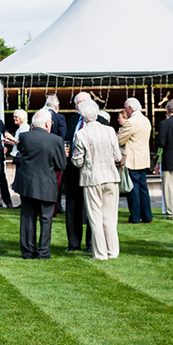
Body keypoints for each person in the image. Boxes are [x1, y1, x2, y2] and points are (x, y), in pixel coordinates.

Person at [70, 99, 122, 260]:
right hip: (111, 177)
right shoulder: (110, 131)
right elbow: (118, 156)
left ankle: (100, 253)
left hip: (92, 178)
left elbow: (77, 161)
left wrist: (75, 159)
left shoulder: (81, 134)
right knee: (110, 217)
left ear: (83, 116)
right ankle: (112, 251)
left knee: (95, 217)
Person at [13, 109, 67, 259]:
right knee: (46, 219)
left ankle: (28, 251)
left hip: (27, 183)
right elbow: (61, 165)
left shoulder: (24, 137)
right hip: (46, 183)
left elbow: (21, 152)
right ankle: (43, 251)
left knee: (27, 218)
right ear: (47, 124)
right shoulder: (55, 140)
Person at [63, 92, 107, 251]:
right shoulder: (72, 120)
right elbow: (67, 141)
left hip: (93, 172)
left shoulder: (102, 121)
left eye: (83, 101)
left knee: (93, 209)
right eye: (78, 102)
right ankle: (73, 244)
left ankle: (91, 244)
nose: (80, 105)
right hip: (73, 170)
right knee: (72, 208)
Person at [117, 98, 153, 224]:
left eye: (125, 107)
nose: (125, 110)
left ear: (130, 108)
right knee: (143, 189)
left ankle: (136, 217)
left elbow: (120, 140)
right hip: (143, 158)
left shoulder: (131, 122)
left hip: (132, 160)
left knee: (133, 190)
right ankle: (147, 216)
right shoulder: (146, 120)